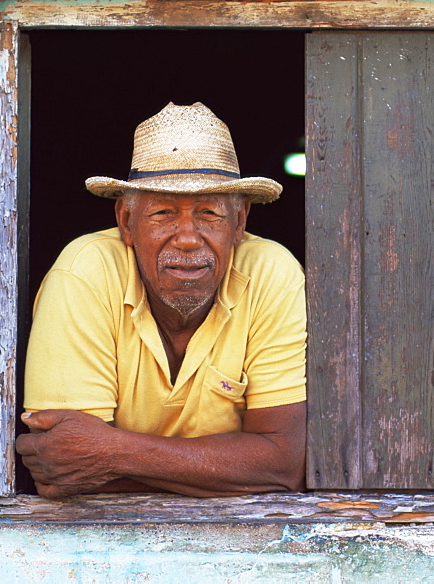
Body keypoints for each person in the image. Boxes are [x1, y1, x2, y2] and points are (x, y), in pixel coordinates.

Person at [16, 102, 307, 499]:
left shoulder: (271, 273)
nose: (187, 238)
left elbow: (284, 466)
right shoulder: (85, 271)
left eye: (209, 213)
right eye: (163, 212)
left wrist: (111, 452)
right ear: (126, 221)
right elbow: (61, 472)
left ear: (240, 222)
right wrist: (230, 471)